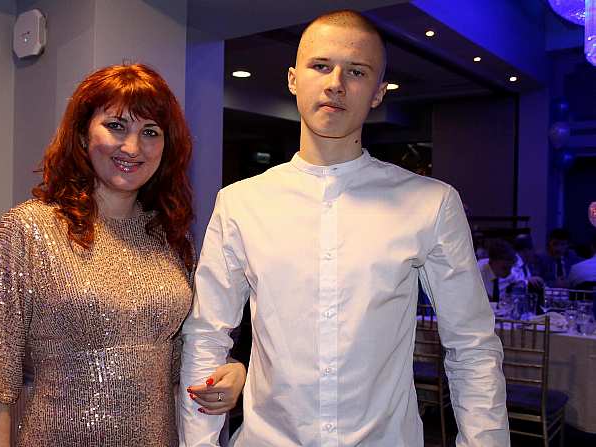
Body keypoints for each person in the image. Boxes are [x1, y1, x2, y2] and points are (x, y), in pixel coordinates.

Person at [179, 10, 508, 446]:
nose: (336, 83)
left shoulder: (430, 203)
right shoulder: (240, 203)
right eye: (321, 66)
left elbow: (472, 347)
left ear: (377, 92)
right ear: (294, 79)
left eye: (357, 71)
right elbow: (206, 336)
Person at [0, 64, 246, 446]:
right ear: (83, 134)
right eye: (117, 126)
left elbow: (180, 354)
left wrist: (233, 370)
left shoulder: (172, 239)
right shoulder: (29, 228)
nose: (133, 147)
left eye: (150, 132)